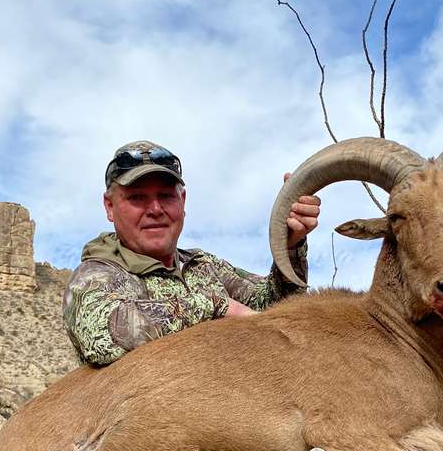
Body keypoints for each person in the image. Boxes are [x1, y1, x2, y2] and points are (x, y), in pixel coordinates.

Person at [62, 140, 321, 366]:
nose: (155, 209)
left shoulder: (204, 265)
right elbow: (103, 334)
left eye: (165, 196)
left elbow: (277, 309)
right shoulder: (96, 275)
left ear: (182, 202)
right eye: (137, 198)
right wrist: (218, 307)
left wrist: (289, 244)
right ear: (109, 206)